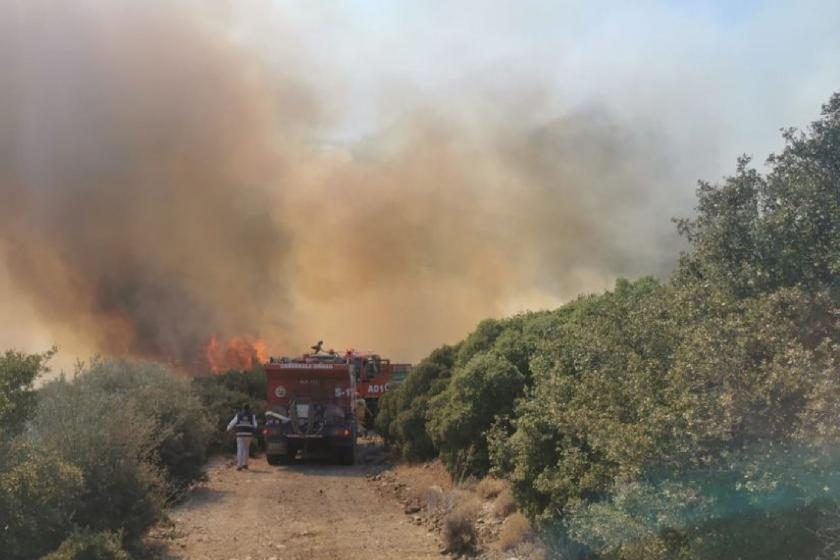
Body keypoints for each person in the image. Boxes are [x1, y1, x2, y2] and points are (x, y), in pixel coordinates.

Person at [227, 404, 257, 471]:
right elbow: (255, 425)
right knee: (246, 449)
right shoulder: (252, 416)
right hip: (248, 435)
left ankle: (239, 466)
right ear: (249, 408)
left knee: (240, 449)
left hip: (240, 434)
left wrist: (228, 429)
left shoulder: (238, 415)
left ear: (242, 408)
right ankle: (245, 464)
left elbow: (232, 423)